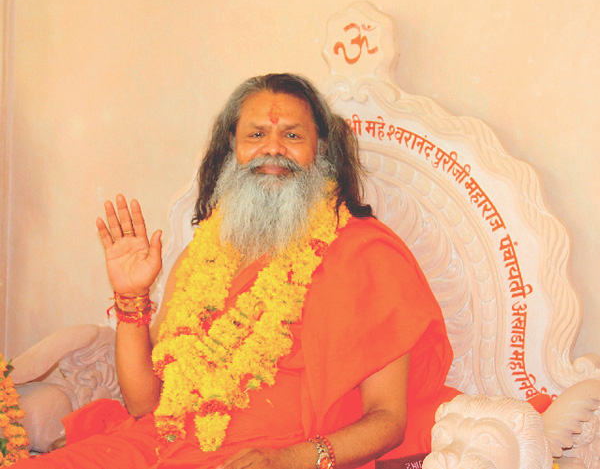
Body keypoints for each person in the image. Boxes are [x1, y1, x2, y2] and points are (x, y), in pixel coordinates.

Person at [15, 73, 457, 468]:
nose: (272, 149)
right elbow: (144, 403)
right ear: (234, 147)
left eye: (293, 135)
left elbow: (387, 420)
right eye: (257, 133)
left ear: (321, 149)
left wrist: (290, 460)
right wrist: (131, 299)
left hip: (271, 456)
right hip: (157, 443)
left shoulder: (365, 255)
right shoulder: (205, 254)